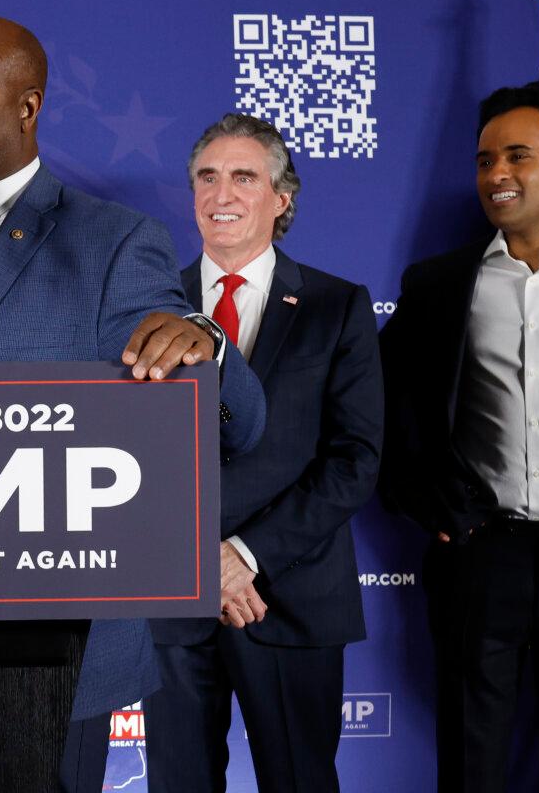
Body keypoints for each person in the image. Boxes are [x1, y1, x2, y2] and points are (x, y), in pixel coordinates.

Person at [0, 14, 267, 791]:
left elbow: (219, 414)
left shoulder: (108, 241)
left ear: (27, 108)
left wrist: (202, 342)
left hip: (48, 654)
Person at [137, 114, 383, 792]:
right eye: (207, 177)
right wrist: (198, 562)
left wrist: (241, 557)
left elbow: (353, 460)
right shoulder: (143, 306)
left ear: (281, 198)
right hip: (173, 603)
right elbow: (124, 460)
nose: (223, 192)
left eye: (244, 176)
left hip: (290, 595)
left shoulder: (338, 307)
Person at [380, 81, 539, 792]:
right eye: (485, 161)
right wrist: (430, 507)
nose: (497, 176)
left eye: (518, 157)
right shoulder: (437, 285)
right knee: (470, 769)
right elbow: (380, 415)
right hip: (483, 561)